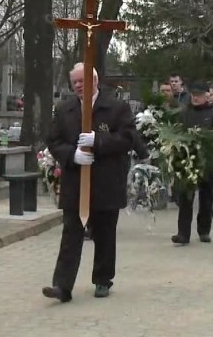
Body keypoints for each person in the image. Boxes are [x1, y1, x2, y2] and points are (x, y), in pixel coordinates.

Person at [42, 63, 135, 302]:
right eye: (75, 82)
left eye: (82, 81)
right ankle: (62, 286)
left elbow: (127, 138)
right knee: (71, 233)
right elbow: (54, 140)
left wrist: (99, 141)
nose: (78, 86)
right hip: (76, 182)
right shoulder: (64, 109)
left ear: (95, 80)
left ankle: (103, 280)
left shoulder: (116, 107)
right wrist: (72, 154)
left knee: (104, 234)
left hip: (106, 181)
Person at [172, 82, 213, 245]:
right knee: (186, 196)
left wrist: (206, 138)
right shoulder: (184, 112)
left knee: (206, 197)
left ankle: (204, 231)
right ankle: (183, 233)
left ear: (206, 96)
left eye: (199, 95)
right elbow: (177, 131)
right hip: (188, 159)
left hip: (207, 160)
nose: (195, 98)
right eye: (193, 95)